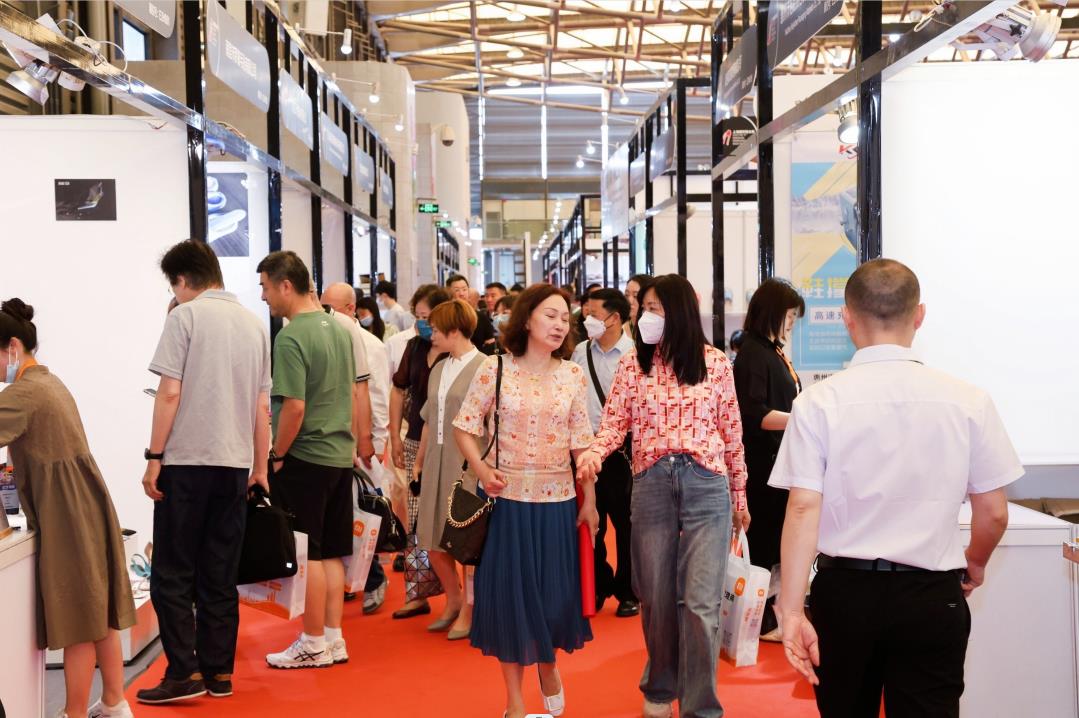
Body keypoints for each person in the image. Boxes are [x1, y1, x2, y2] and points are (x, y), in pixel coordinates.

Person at [772, 259, 1021, 718]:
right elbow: (995, 512)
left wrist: (790, 611)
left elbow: (803, 508)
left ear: (847, 318)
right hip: (932, 593)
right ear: (919, 315)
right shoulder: (968, 400)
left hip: (843, 594)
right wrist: (976, 563)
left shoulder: (816, 403)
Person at [577, 274, 749, 718]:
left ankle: (700, 706)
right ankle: (660, 685)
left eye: (654, 309)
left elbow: (732, 435)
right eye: (644, 309)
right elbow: (614, 423)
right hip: (651, 482)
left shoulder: (715, 364)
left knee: (701, 602)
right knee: (653, 595)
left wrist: (740, 496)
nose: (645, 317)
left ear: (679, 313)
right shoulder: (633, 365)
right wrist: (594, 453)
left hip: (706, 484)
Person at [454, 283, 598, 718]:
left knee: (554, 597)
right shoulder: (495, 368)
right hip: (507, 502)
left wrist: (589, 499)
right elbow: (464, 426)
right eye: (550, 315)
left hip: (558, 502)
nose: (559, 325)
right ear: (527, 319)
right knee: (510, 601)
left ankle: (548, 664)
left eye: (565, 318)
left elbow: (581, 441)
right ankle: (514, 701)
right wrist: (482, 471)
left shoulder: (572, 374)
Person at [138, 240, 271, 705]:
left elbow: (169, 393)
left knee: (172, 573)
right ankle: (218, 673)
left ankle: (183, 672)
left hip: (187, 463)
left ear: (181, 280)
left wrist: (154, 456)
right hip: (234, 466)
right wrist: (260, 466)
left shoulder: (185, 317)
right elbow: (261, 405)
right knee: (219, 573)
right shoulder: (254, 324)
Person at [0, 299, 136, 718]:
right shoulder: (49, 381)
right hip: (86, 505)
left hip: (67, 514)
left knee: (78, 618)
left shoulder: (24, 393)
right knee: (98, 612)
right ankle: (114, 701)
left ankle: (73, 712)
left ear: (12, 347)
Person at [257, 251, 356, 669]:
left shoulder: (292, 336)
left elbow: (294, 407)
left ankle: (313, 641)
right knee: (331, 551)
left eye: (265, 287)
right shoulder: (339, 329)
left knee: (309, 552)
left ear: (286, 285)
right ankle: (333, 638)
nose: (263, 296)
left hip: (307, 456)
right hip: (339, 455)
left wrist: (277, 454)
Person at [731, 278, 805, 641]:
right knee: (761, 542)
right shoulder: (754, 353)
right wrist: (800, 419)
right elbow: (752, 413)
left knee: (774, 539)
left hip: (777, 462)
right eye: (788, 315)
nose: (791, 323)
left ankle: (768, 614)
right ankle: (757, 620)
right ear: (772, 313)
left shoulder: (771, 351)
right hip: (762, 466)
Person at [413, 299, 485, 640]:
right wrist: (418, 460)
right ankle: (454, 600)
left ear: (454, 330)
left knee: (465, 541)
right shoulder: (439, 368)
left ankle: (470, 609)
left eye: (436, 329)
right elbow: (429, 419)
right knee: (431, 537)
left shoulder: (485, 366)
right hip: (435, 460)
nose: (431, 334)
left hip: (468, 463)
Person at [321, 283, 391, 614]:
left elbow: (376, 395)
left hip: (363, 444)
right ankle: (351, 579)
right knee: (341, 515)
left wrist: (374, 440)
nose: (326, 314)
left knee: (363, 512)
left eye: (331, 308)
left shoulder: (370, 344)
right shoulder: (324, 336)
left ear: (351, 309)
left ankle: (373, 578)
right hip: (334, 441)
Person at [570, 288, 639, 618]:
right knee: (590, 520)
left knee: (626, 524)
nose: (588, 319)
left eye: (594, 314)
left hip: (623, 452)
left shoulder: (635, 354)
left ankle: (628, 590)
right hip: (586, 449)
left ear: (614, 318)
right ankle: (597, 583)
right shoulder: (580, 351)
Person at [390, 287, 452, 618]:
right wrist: (394, 436)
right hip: (415, 439)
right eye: (418, 317)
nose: (422, 324)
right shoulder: (414, 347)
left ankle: (462, 597)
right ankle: (418, 592)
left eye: (427, 318)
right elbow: (398, 390)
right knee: (415, 522)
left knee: (452, 521)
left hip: (450, 446)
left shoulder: (455, 352)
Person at [447, 274, 497, 355]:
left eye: (464, 289)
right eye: (457, 290)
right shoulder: (445, 316)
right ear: (449, 292)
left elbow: (490, 342)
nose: (461, 293)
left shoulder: (480, 317)